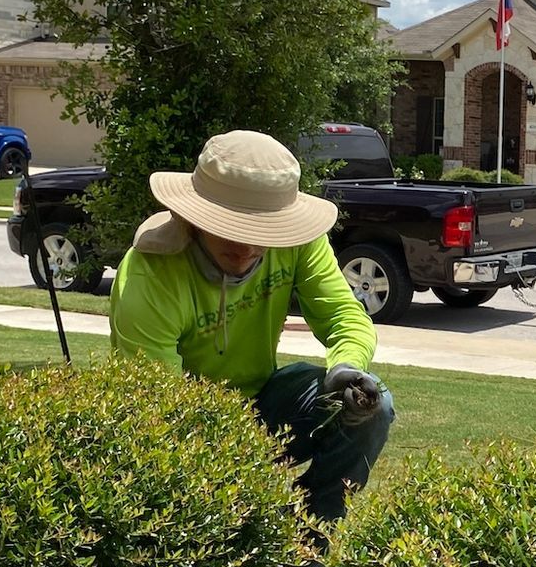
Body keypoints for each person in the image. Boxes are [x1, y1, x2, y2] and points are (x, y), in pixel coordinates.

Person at [108, 130, 394, 523]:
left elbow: (346, 318)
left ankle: (311, 538)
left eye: (263, 232)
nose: (246, 247)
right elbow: (158, 407)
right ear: (195, 217)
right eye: (231, 229)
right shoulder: (149, 275)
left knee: (374, 403)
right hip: (182, 420)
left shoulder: (298, 242)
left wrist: (345, 369)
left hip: (264, 401)